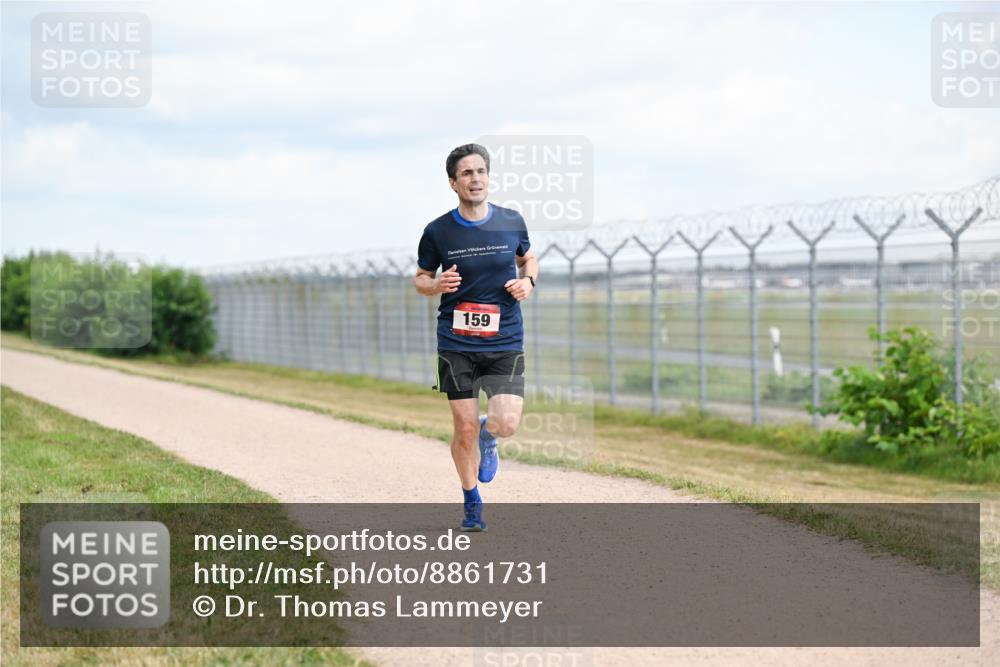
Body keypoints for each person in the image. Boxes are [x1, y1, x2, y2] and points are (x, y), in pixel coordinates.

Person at [414, 143, 539, 531]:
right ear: (453, 183)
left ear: (489, 176)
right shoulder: (437, 231)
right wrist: (435, 285)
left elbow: (528, 258)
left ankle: (490, 435)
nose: (475, 179)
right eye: (466, 173)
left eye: (480, 171)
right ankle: (472, 503)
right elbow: (420, 279)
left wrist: (528, 282)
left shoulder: (510, 220)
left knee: (507, 423)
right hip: (456, 343)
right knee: (462, 427)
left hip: (504, 339)